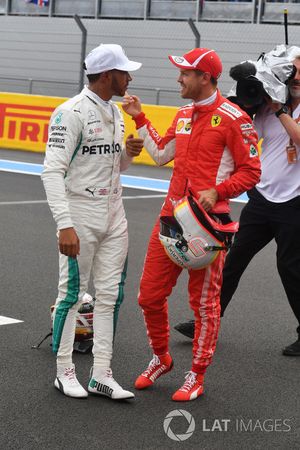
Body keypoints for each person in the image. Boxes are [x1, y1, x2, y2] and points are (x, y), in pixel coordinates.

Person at [122, 47, 261, 401]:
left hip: (209, 228)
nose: (179, 78)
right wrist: (139, 120)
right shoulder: (183, 113)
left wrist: (219, 191)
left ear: (205, 77)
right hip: (169, 220)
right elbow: (160, 154)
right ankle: (161, 357)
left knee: (204, 305)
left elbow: (252, 171)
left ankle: (196, 374)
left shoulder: (235, 118)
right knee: (149, 297)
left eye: (185, 73)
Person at [175, 52, 300, 357]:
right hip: (262, 198)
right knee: (232, 260)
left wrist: (281, 110)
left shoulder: (278, 109)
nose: (296, 78)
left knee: (291, 267)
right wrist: (242, 90)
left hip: (295, 202)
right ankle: (207, 321)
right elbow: (243, 132)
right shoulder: (264, 107)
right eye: (293, 72)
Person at [42, 43, 144, 399]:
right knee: (71, 294)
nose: (129, 77)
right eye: (124, 72)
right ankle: (64, 371)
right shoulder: (69, 112)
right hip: (80, 212)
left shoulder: (115, 113)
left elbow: (115, 166)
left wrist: (128, 155)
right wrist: (64, 224)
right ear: (106, 75)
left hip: (115, 212)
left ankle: (101, 373)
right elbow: (52, 172)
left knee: (111, 296)